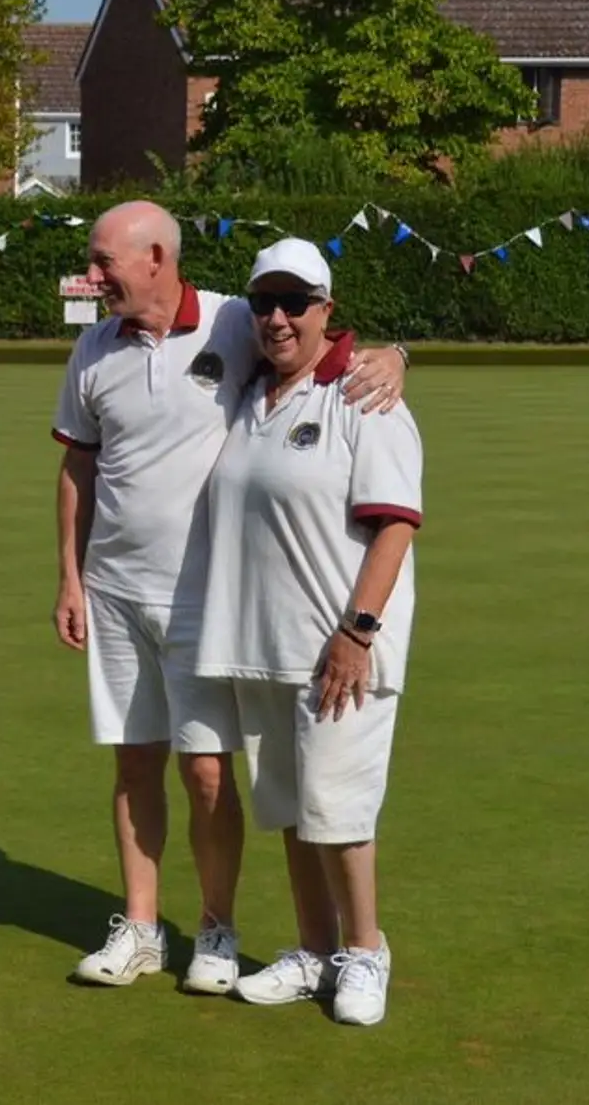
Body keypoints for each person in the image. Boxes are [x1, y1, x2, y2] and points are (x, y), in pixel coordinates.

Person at [53, 202, 407, 990]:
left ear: (155, 256)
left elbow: (321, 344)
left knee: (209, 772)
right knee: (133, 762)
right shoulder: (92, 346)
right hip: (113, 589)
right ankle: (142, 928)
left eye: (105, 259)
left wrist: (398, 355)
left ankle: (217, 930)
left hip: (205, 597)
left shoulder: (229, 323)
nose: (95, 273)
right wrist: (71, 577)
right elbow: (79, 466)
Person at [195, 237, 423, 1026]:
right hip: (265, 643)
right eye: (264, 303)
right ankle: (314, 949)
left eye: (296, 303)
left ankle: (366, 950)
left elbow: (395, 526)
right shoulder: (251, 392)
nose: (279, 318)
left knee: (339, 810)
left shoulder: (364, 397)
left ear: (328, 309)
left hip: (342, 651)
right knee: (291, 808)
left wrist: (357, 632)